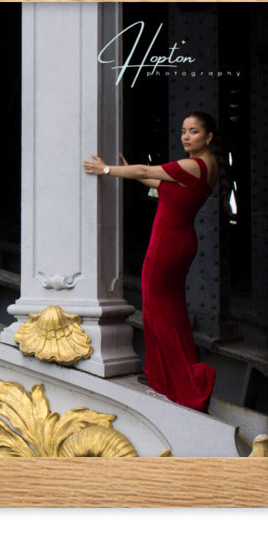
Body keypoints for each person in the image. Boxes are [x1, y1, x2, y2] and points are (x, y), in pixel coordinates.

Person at [82, 111, 226, 411]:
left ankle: (178, 381)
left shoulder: (191, 164)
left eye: (195, 131)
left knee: (158, 312)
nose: (186, 136)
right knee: (170, 311)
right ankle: (168, 378)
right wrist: (129, 172)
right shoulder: (207, 167)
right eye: (184, 131)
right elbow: (160, 186)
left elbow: (146, 170)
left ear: (208, 136)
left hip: (166, 245)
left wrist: (105, 170)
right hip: (181, 243)